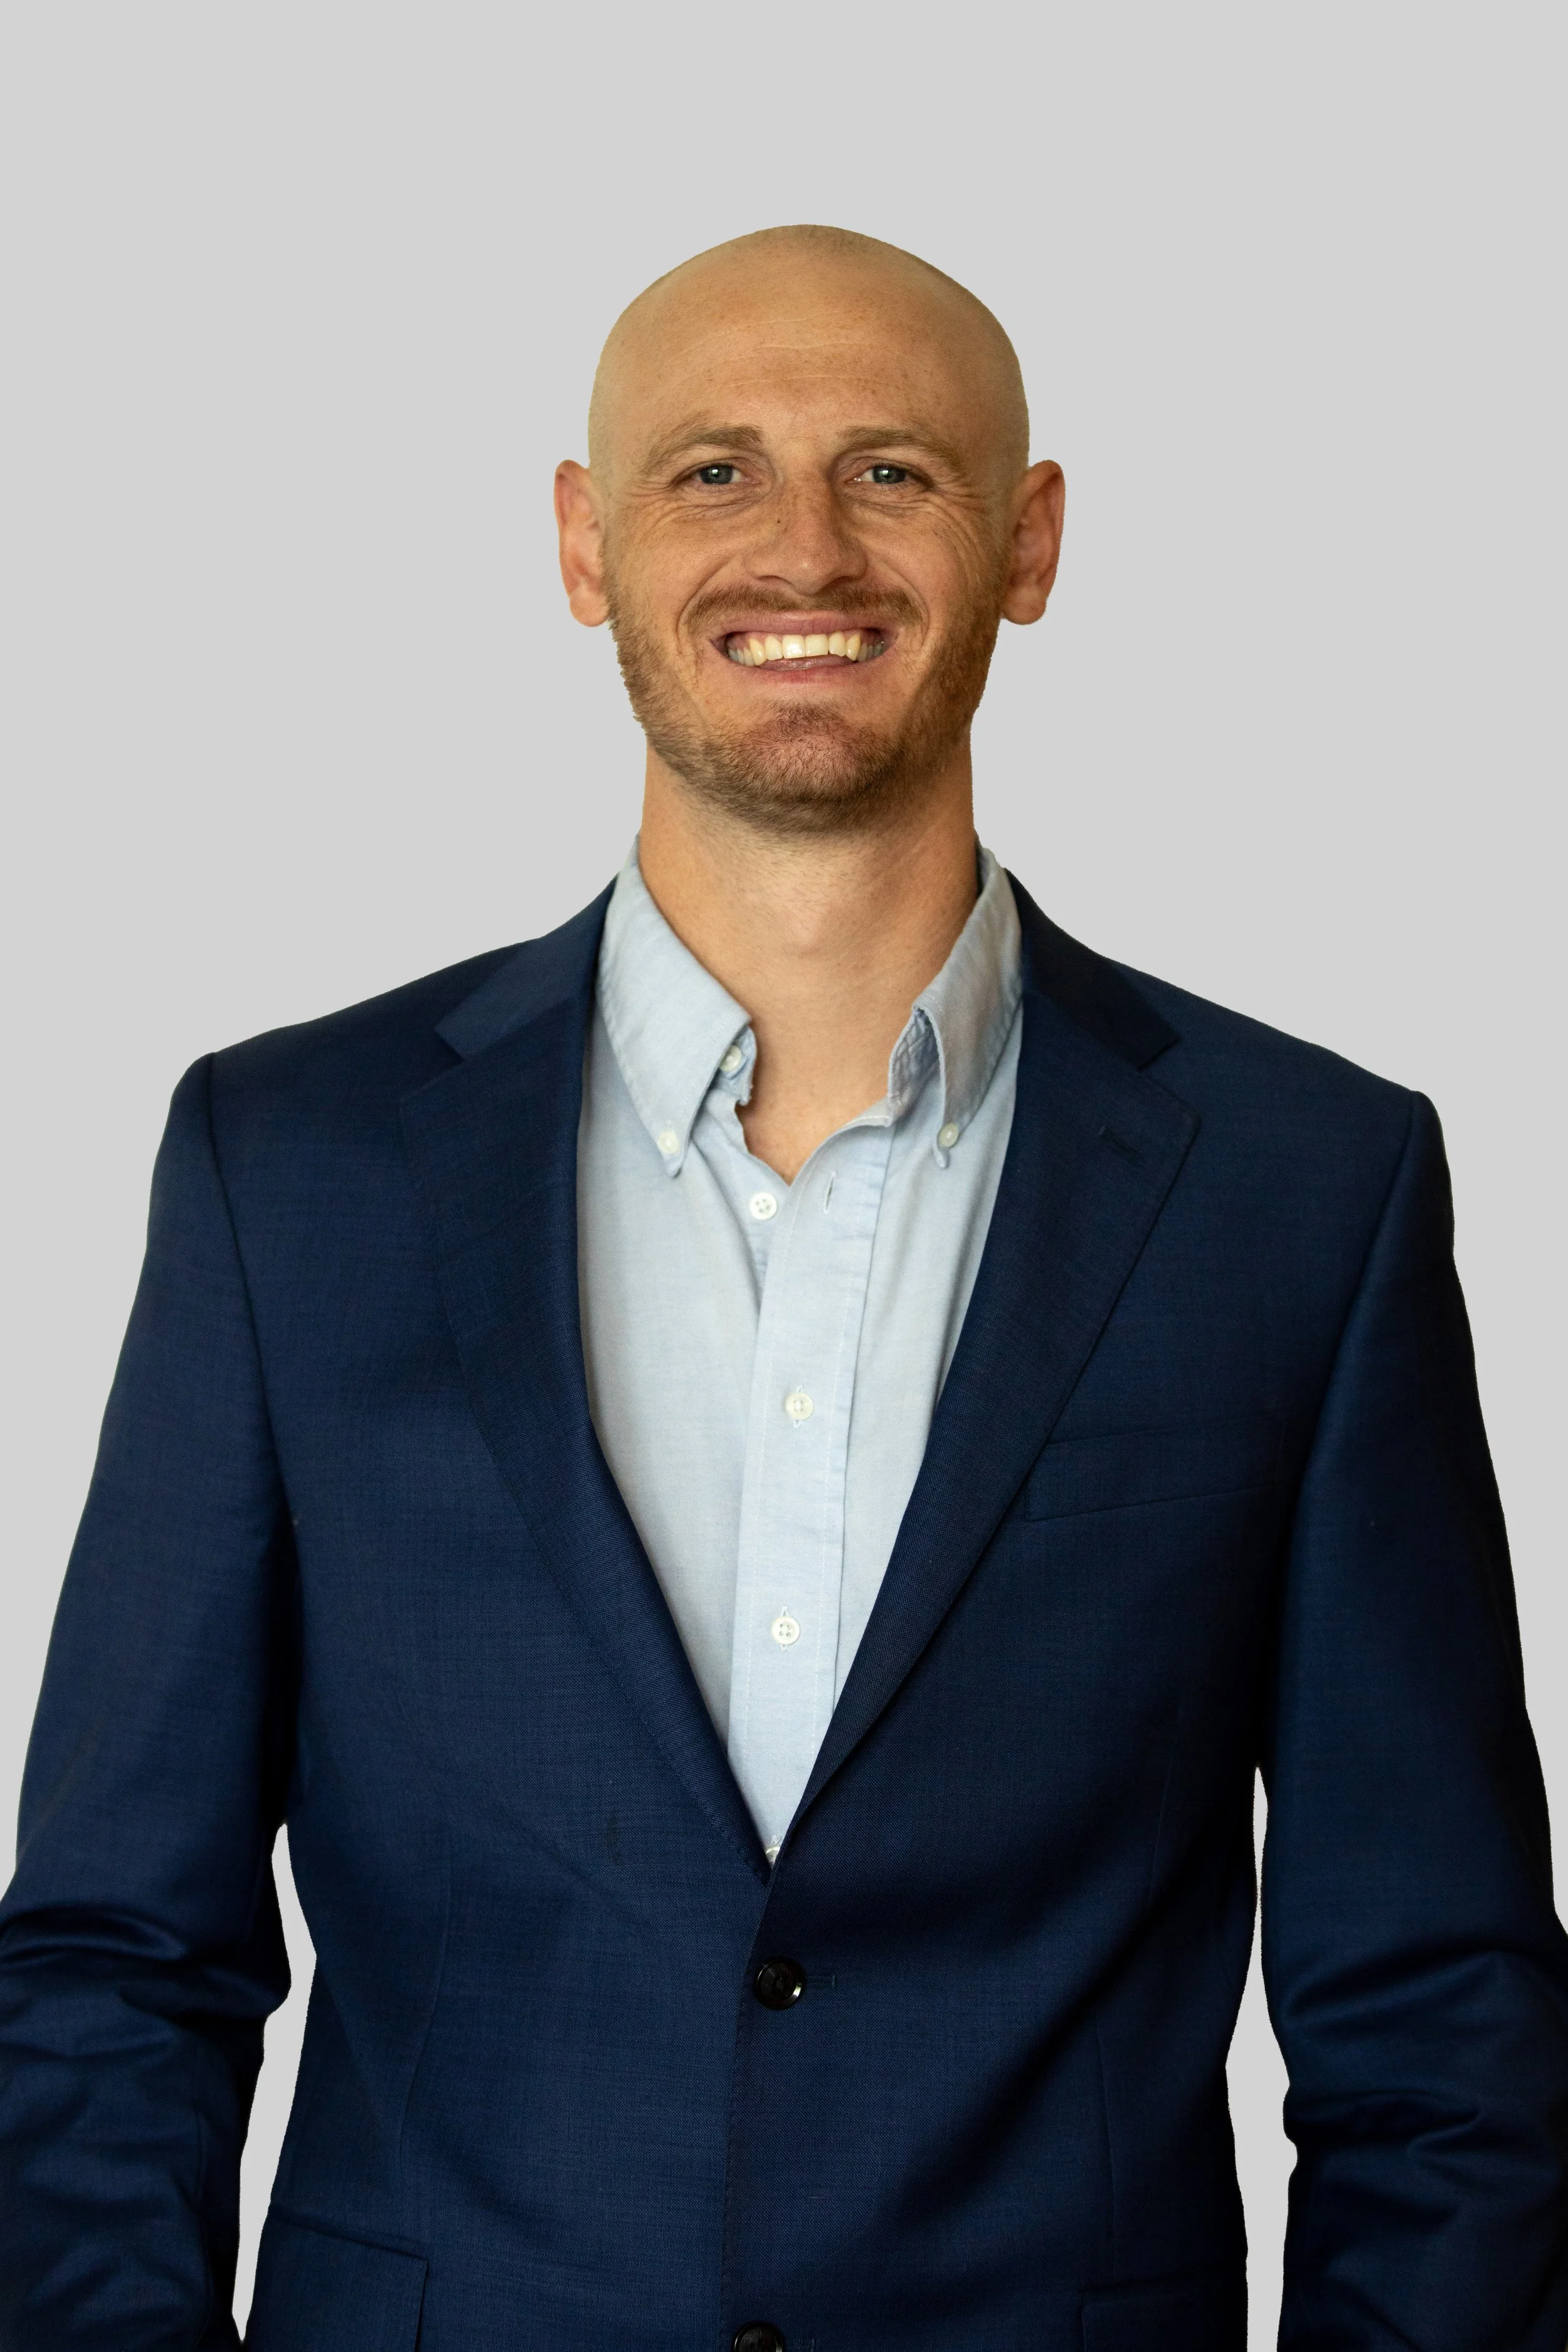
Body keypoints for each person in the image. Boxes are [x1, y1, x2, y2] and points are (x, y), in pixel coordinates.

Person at [1, 224, 1564, 2352]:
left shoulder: (1307, 1185)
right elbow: (113, 1957)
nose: (803, 547)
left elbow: (1436, 2010)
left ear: (1029, 541)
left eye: (895, 472)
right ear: (583, 543)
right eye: (711, 472)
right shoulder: (291, 1165)